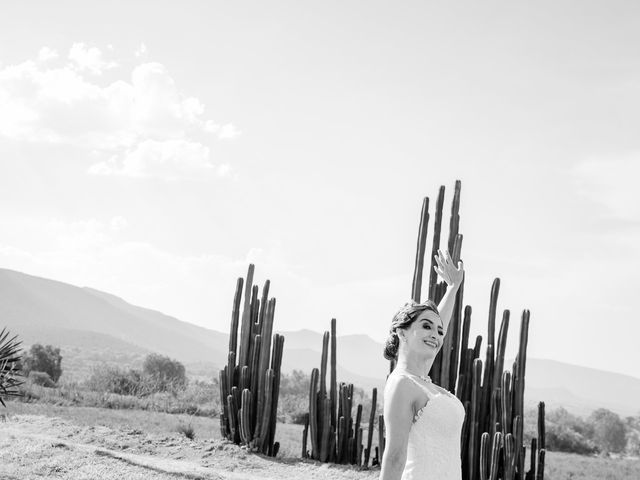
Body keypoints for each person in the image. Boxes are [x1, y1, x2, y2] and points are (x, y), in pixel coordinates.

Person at [379, 249, 465, 480]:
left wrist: (453, 287)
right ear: (402, 333)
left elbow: (441, 324)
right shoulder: (402, 384)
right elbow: (395, 457)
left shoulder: (421, 381)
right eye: (426, 326)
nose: (435, 335)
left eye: (439, 331)